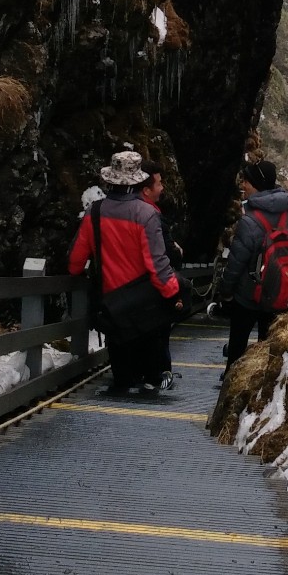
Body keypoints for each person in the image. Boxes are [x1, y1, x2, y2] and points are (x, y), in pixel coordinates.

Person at [65, 150, 181, 395]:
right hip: (145, 307)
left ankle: (123, 385)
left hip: (111, 307)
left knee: (122, 377)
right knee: (149, 375)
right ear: (138, 181)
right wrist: (173, 293)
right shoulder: (147, 214)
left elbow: (75, 263)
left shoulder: (94, 213)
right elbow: (157, 264)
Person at [213, 158, 288, 362]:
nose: (243, 185)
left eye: (247, 182)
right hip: (280, 292)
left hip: (248, 295)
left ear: (256, 185)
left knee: (237, 346)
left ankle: (231, 384)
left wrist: (225, 292)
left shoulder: (250, 219)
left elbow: (236, 262)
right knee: (268, 350)